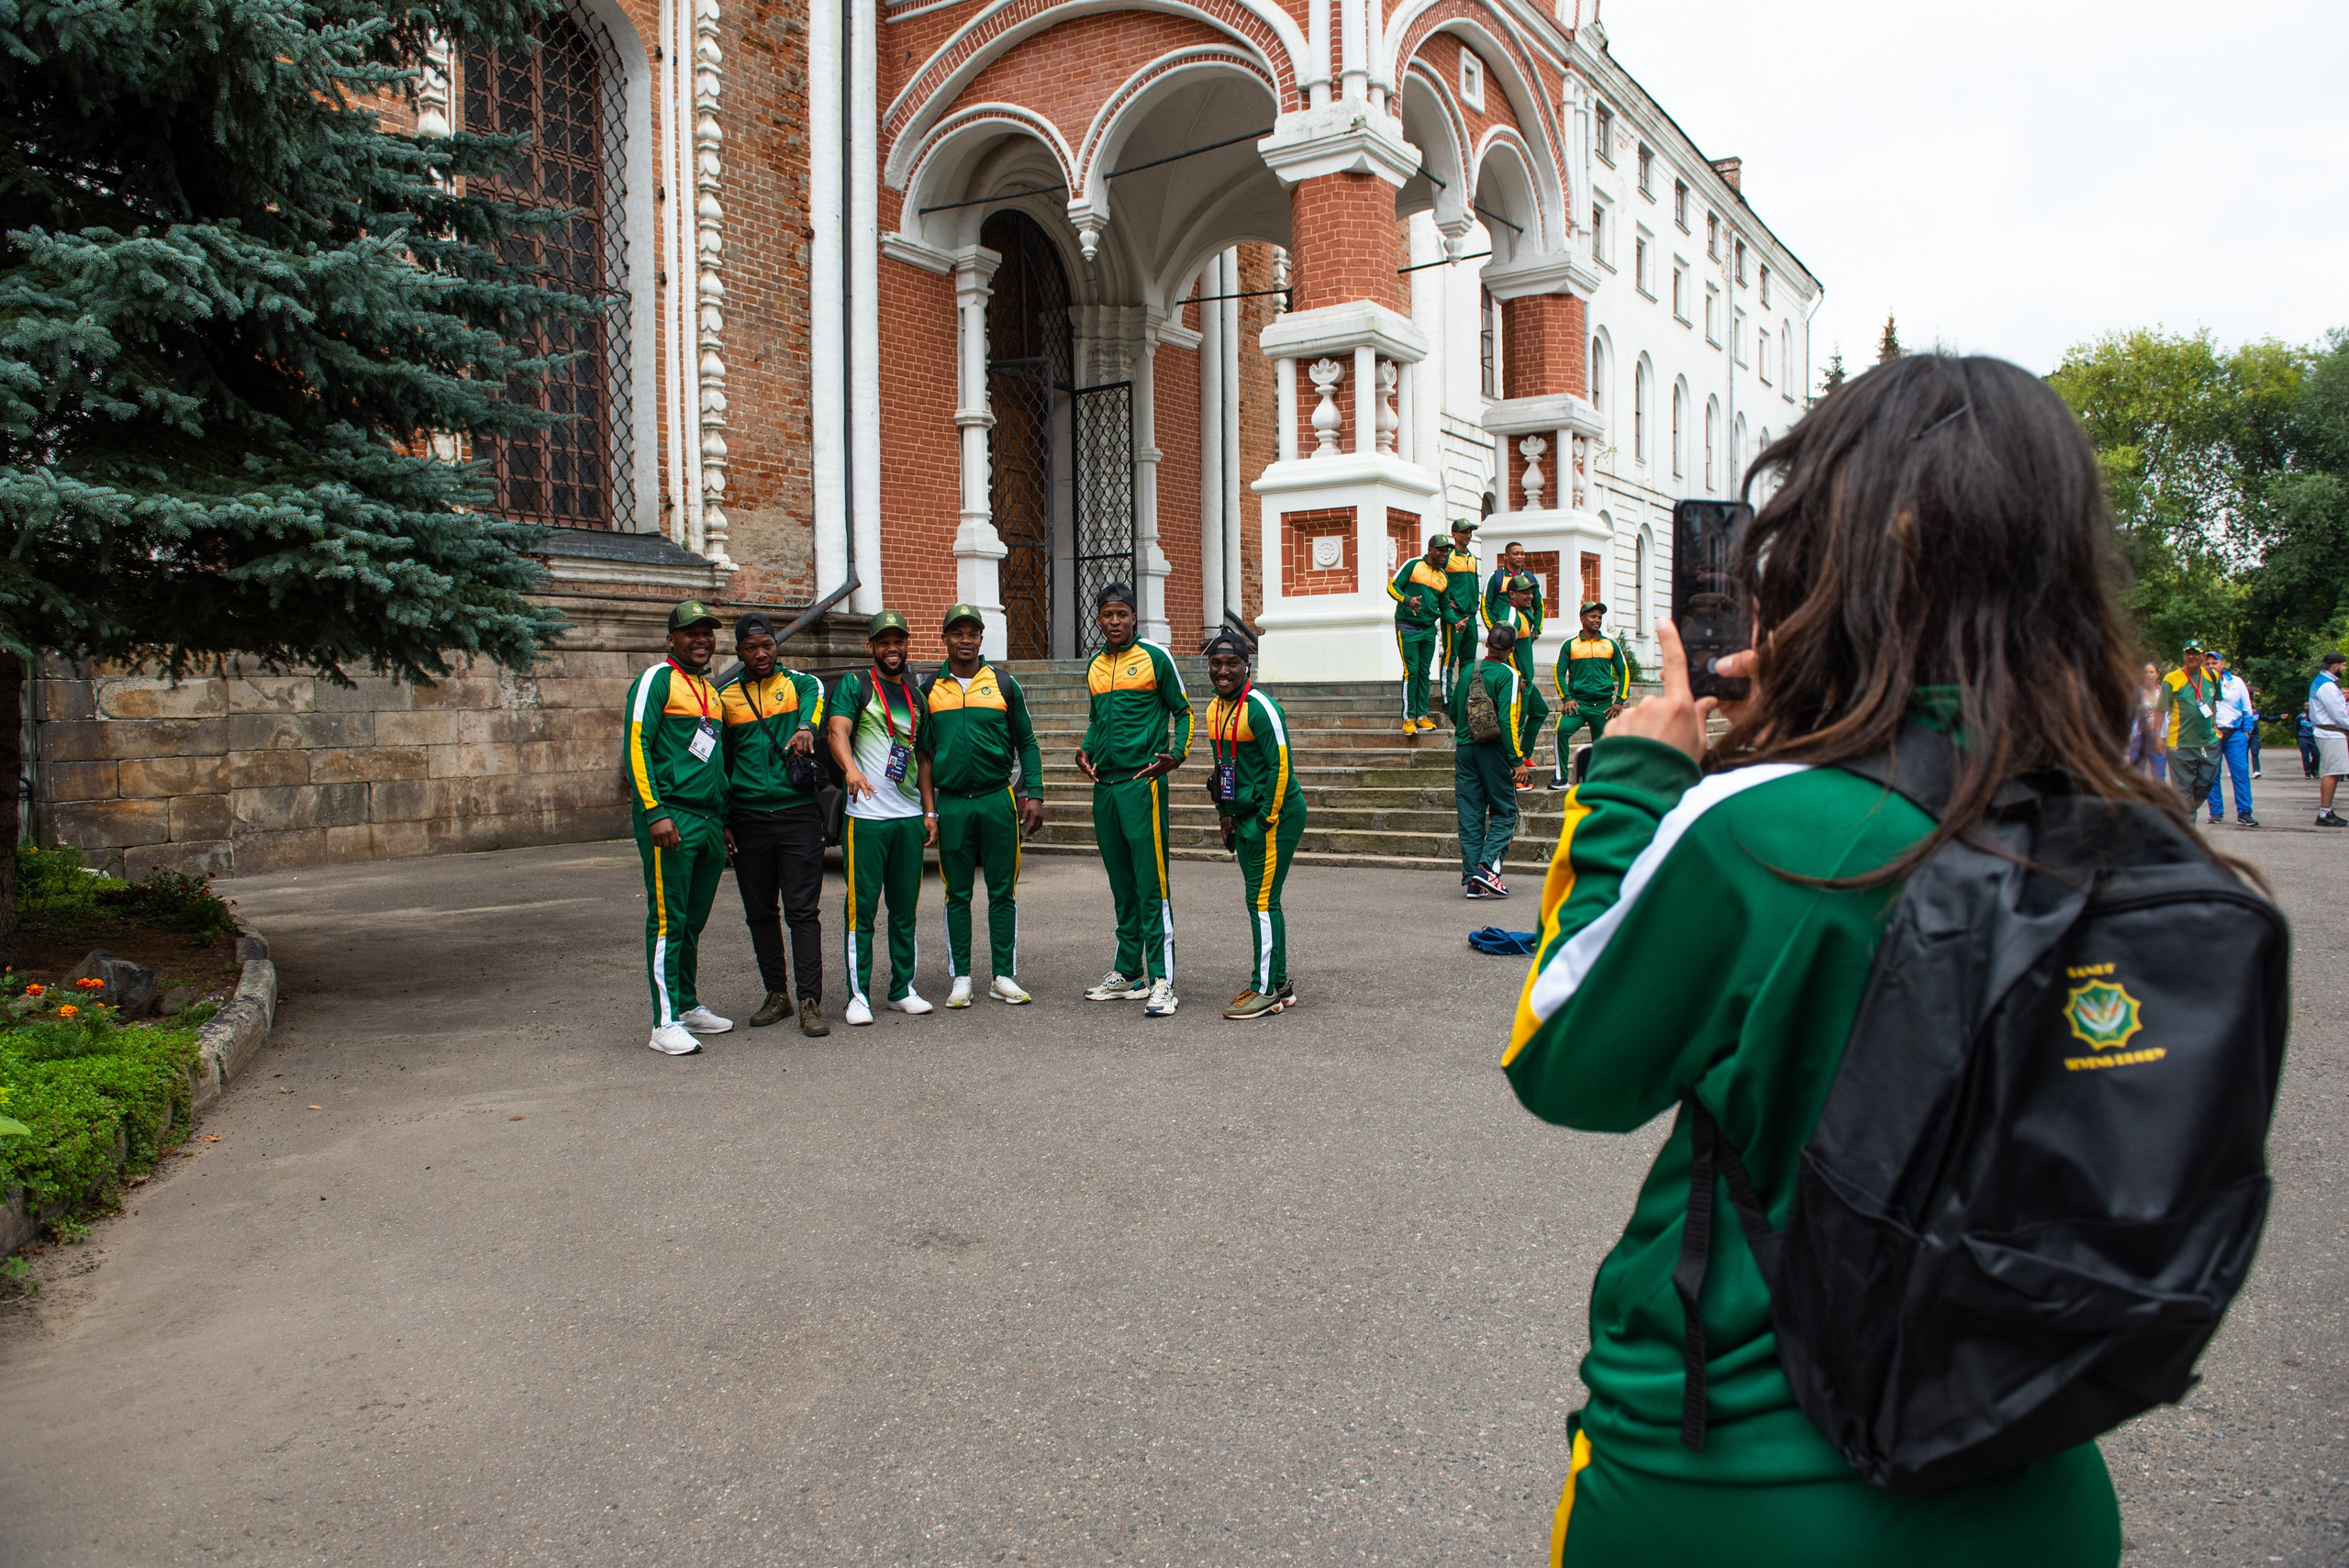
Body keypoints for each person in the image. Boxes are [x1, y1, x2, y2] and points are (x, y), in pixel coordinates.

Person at [1508, 356, 2153, 1564]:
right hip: (2034, 1474)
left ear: (1840, 557)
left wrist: (1644, 772)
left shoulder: (1771, 833)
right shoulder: (2133, 833)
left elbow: (1566, 1060)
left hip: (1747, 1481)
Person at [1076, 583, 1194, 1017]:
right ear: (1100, 618)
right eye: (1107, 615)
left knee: (1151, 884)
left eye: (1121, 614)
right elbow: (1095, 721)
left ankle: (1163, 979)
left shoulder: (1155, 657)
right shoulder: (1094, 664)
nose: (1114, 622)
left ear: (1133, 616)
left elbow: (1183, 711)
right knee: (1121, 885)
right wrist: (1084, 748)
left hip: (1141, 782)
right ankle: (1129, 974)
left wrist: (1176, 755)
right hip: (1104, 787)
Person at [623, 600, 735, 1056]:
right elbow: (637, 744)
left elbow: (714, 760)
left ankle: (686, 1005)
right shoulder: (657, 679)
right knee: (668, 919)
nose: (701, 639)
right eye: (691, 632)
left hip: (708, 820)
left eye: (707, 632)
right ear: (672, 639)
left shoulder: (710, 691)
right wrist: (654, 811)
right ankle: (662, 1022)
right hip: (673, 814)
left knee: (692, 920)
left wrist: (723, 820)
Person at [918, 605, 1044, 1007]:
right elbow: (923, 753)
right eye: (958, 633)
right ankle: (962, 977)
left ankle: (1003, 975)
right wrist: (930, 809)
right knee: (957, 893)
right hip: (952, 803)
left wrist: (1035, 793)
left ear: (981, 637)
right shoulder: (928, 692)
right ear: (946, 639)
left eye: (972, 632)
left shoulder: (1004, 684)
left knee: (1002, 892)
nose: (965, 639)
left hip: (996, 799)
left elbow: (1026, 742)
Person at [718, 612, 829, 1037]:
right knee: (760, 913)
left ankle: (809, 1000)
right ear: (739, 651)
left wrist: (804, 727)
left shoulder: (799, 684)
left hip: (797, 815)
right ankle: (777, 995)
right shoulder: (726, 698)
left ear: (776, 645)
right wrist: (726, 819)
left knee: (803, 912)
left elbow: (817, 698)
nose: (761, 653)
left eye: (767, 645)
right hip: (747, 820)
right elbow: (721, 763)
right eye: (751, 648)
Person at [826, 609, 936, 1025]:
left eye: (899, 641)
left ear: (907, 646)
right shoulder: (856, 686)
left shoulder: (916, 697)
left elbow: (923, 760)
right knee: (862, 910)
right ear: (870, 647)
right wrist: (851, 770)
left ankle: (901, 988)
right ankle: (858, 996)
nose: (893, 649)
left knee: (904, 909)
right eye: (884, 642)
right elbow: (837, 731)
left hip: (908, 817)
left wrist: (929, 812)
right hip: (866, 818)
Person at [1199, 630, 1307, 1019]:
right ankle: (1279, 984)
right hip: (1242, 816)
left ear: (1248, 666)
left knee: (1261, 901)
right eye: (1216, 663)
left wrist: (1264, 820)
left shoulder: (1261, 708)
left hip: (1275, 814)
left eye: (1231, 663)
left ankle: (1264, 989)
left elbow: (1282, 769)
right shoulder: (1214, 709)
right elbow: (1222, 767)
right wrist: (1224, 816)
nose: (1223, 670)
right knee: (1262, 901)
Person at [1453, 621, 1531, 898]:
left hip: (1464, 749)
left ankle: (1474, 881)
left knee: (1471, 815)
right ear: (1511, 649)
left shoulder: (1467, 671)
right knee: (1505, 812)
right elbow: (1509, 720)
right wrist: (1517, 759)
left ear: (1487, 645)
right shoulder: (1509, 674)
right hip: (1494, 751)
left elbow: (1453, 709)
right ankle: (1486, 868)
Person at [1551, 601, 1632, 790]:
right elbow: (1558, 672)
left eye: (1600, 617)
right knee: (1561, 731)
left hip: (1604, 705)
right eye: (1593, 616)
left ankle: (1604, 779)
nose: (1597, 620)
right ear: (1582, 619)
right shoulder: (1570, 645)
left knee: (1605, 743)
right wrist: (1566, 698)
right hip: (1578, 704)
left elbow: (1624, 671)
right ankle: (1561, 778)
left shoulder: (1610, 644)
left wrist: (1620, 700)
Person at [1389, 533, 1451, 733]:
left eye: (1446, 550)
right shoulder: (1414, 565)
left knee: (1425, 673)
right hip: (1407, 626)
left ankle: (1422, 716)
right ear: (1430, 549)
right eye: (1440, 549)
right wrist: (1407, 600)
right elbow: (1392, 586)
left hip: (1429, 629)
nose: (1444, 553)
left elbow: (1445, 608)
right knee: (1412, 671)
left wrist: (1456, 622)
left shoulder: (1443, 577)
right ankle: (1408, 718)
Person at [2163, 639, 2224, 818]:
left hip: (2208, 741)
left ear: (2203, 657)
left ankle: (2186, 809)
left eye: (2196, 653)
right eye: (2188, 653)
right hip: (2179, 743)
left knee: (2206, 782)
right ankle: (2187, 822)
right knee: (2183, 790)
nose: (2191, 656)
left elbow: (2212, 703)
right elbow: (2161, 710)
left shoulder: (2212, 676)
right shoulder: (2172, 679)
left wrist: (2214, 725)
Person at [2203, 651, 2257, 827]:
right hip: (2211, 734)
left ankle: (2244, 811)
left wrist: (2246, 731)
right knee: (2211, 775)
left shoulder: (2236, 682)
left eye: (2214, 663)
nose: (2211, 666)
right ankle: (2216, 812)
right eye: (2208, 664)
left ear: (2222, 664)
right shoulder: (2201, 683)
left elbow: (2247, 707)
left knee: (2240, 772)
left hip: (2235, 733)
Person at [1439, 517, 1484, 698]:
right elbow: (1436, 579)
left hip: (1471, 615)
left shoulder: (1472, 557)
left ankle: (1464, 696)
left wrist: (1476, 603)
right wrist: (1444, 601)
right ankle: (1447, 698)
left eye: (1470, 532)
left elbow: (1475, 581)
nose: (1468, 535)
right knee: (1450, 658)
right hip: (1455, 615)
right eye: (1464, 532)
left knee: (1468, 662)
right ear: (1454, 534)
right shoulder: (1447, 557)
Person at [2309, 651, 2349, 827]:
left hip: (2329, 732)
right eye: (2344, 665)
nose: (2345, 668)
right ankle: (2324, 812)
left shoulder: (2323, 683)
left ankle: (2326, 811)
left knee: (2335, 772)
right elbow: (2339, 715)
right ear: (2335, 666)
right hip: (2331, 732)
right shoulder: (2327, 686)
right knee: (2333, 773)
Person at [2125, 661, 2168, 782]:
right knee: (2136, 775)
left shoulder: (2163, 693)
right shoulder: (2136, 693)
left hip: (2158, 738)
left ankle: (2159, 800)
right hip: (2139, 738)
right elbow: (2130, 715)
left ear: (2158, 675)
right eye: (2145, 672)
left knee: (2159, 776)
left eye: (2151, 672)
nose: (2148, 675)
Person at [1484, 539, 1531, 628]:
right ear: (1506, 556)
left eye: (1522, 554)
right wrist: (1492, 629)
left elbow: (1539, 605)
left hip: (1525, 630)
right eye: (1516, 554)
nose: (1520, 557)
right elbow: (1485, 606)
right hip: (1501, 630)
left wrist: (1536, 630)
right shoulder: (1496, 577)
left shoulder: (1530, 578)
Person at [2299, 707, 2320, 779]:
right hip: (2303, 737)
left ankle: (2314, 769)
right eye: (2306, 706)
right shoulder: (2300, 717)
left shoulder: (2316, 716)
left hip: (2314, 738)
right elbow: (2297, 727)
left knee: (2316, 755)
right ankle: (2307, 773)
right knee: (2305, 756)